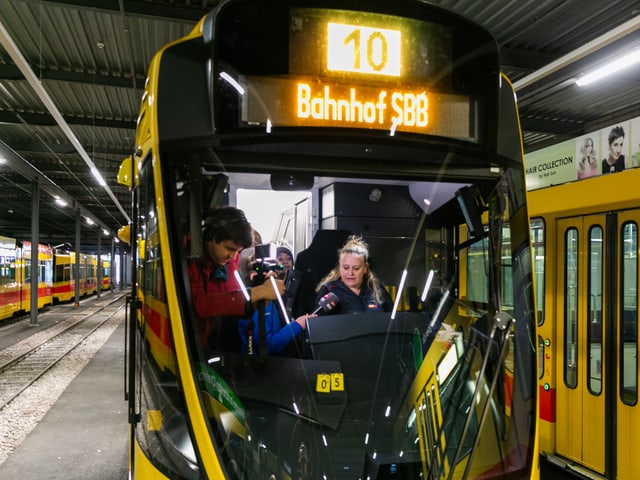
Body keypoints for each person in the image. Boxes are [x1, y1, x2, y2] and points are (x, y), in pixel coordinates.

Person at [187, 206, 285, 351]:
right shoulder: (187, 261)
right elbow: (200, 304)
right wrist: (258, 292)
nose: (233, 257)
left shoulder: (227, 260)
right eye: (229, 248)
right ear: (209, 237)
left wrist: (256, 301)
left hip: (214, 339)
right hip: (187, 342)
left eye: (238, 251)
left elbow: (231, 295)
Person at [237, 252, 315, 356]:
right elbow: (267, 347)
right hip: (261, 367)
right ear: (252, 275)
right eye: (264, 269)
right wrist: (298, 325)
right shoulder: (253, 303)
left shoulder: (269, 298)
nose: (271, 273)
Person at [314, 235, 392, 314]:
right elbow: (315, 322)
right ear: (339, 267)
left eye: (356, 268)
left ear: (365, 268)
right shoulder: (329, 290)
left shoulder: (376, 288)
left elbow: (393, 320)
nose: (350, 273)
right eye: (346, 267)